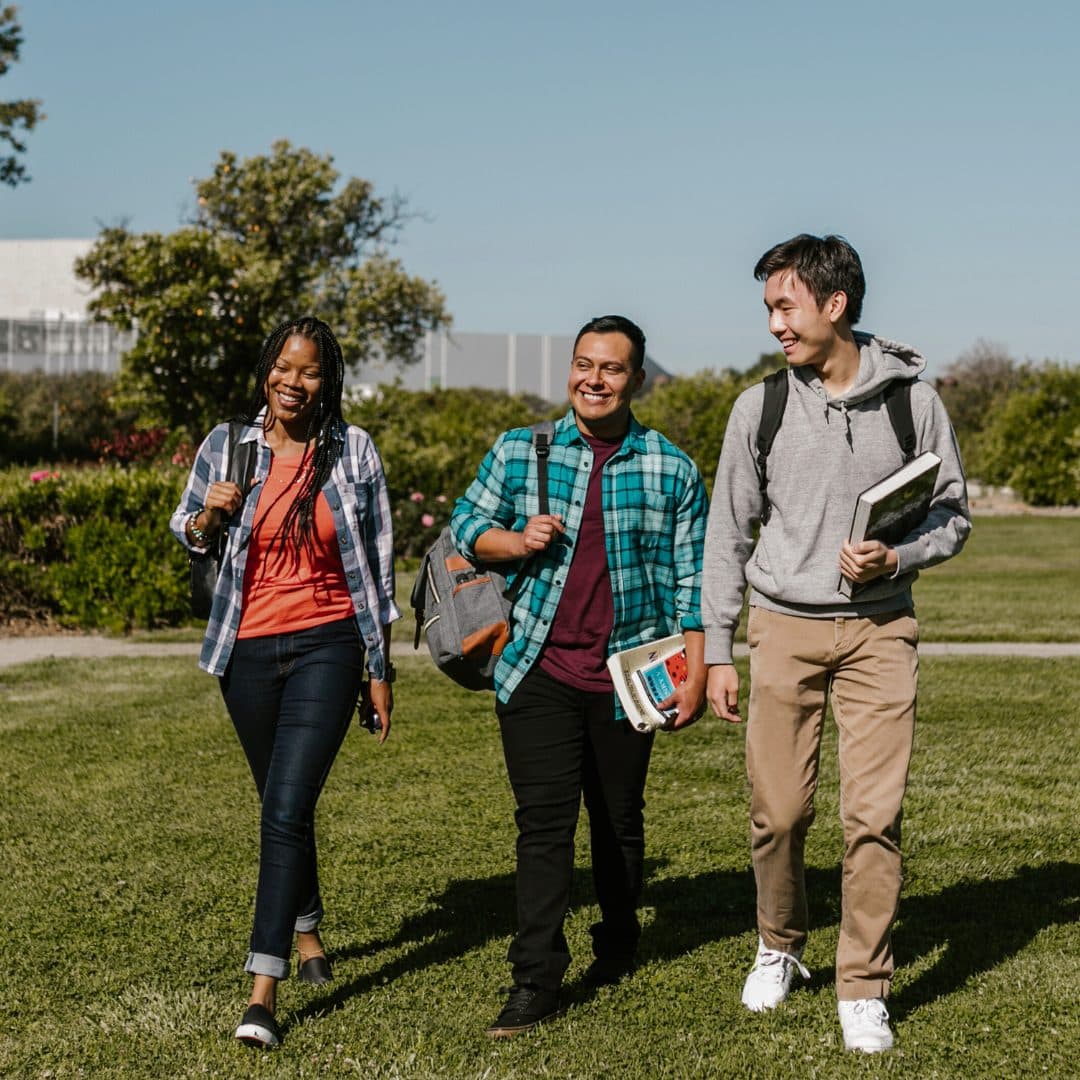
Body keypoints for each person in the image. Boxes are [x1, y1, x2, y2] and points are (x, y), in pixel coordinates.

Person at [703, 235, 971, 1053]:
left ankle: (864, 984)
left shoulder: (913, 402)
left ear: (834, 305)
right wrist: (718, 645)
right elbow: (729, 531)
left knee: (873, 816)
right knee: (778, 813)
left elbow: (952, 514)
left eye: (785, 307)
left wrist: (900, 553)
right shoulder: (761, 406)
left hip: (882, 631)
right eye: (769, 310)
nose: (775, 324)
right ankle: (780, 944)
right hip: (783, 628)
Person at [451, 314, 709, 1037]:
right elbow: (467, 523)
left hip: (633, 675)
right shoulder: (519, 450)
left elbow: (694, 582)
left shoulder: (671, 467)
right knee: (544, 826)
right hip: (537, 666)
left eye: (612, 368)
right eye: (584, 364)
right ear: (570, 370)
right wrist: (515, 538)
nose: (594, 379)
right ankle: (535, 978)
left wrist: (695, 670)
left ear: (638, 380)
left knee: (619, 820)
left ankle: (620, 940)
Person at [170, 316, 399, 1050]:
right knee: (280, 806)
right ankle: (308, 936)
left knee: (288, 803)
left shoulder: (352, 451)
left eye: (307, 371)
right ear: (266, 368)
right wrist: (209, 512)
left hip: (328, 644)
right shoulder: (227, 444)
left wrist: (379, 665)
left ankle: (261, 992)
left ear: (326, 380)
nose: (291, 382)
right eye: (281, 366)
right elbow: (187, 529)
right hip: (247, 652)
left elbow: (380, 563)